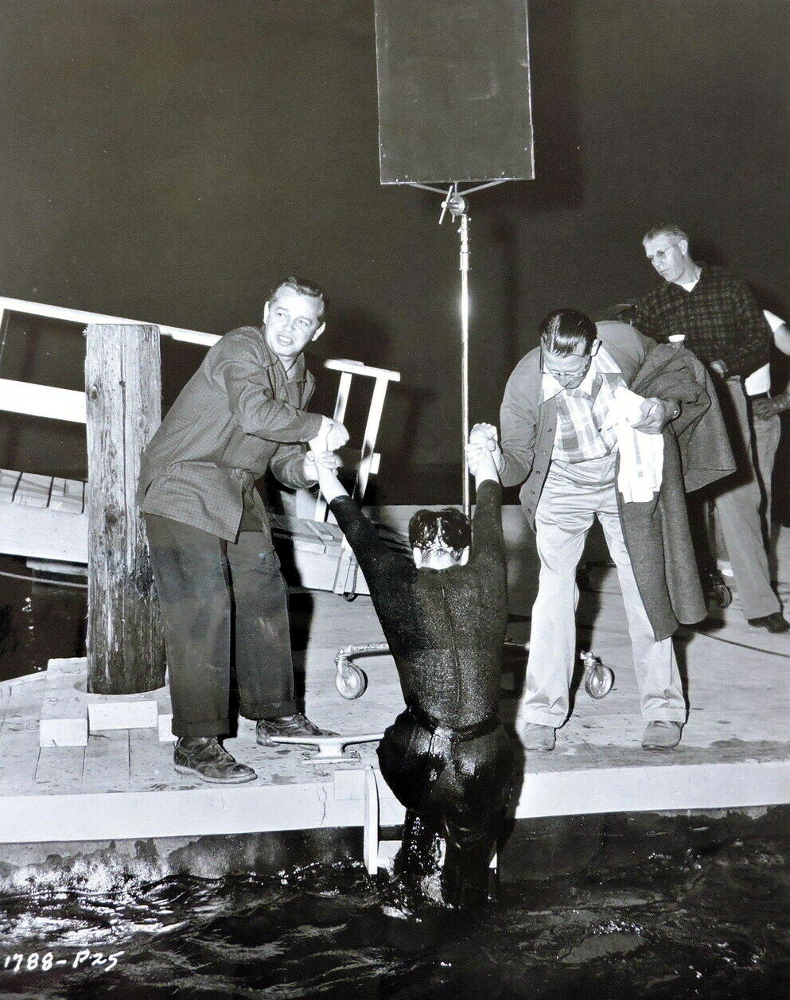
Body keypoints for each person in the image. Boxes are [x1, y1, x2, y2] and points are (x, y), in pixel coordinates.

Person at [137, 277, 348, 784]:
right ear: (266, 310)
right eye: (282, 314)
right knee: (204, 604)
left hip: (236, 488)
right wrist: (318, 425)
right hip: (183, 480)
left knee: (264, 590)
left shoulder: (302, 380)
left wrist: (311, 470)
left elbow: (281, 460)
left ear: (317, 331)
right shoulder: (241, 346)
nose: (288, 328)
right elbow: (254, 412)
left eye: (302, 321)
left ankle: (275, 716)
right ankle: (197, 741)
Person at [310, 424, 516, 908]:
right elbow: (488, 510)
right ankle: (462, 908)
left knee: (415, 761)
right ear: (464, 552)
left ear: (417, 551)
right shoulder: (489, 575)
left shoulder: (397, 583)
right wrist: (483, 457)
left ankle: (413, 867)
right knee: (469, 880)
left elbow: (357, 529)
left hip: (416, 760)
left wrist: (327, 476)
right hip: (482, 762)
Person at [497, 308, 716, 753]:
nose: (562, 379)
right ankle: (541, 712)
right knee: (554, 595)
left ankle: (663, 709)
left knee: (645, 590)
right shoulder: (524, 382)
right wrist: (492, 460)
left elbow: (679, 376)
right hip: (561, 484)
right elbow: (515, 465)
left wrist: (663, 409)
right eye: (553, 369)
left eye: (572, 370)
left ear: (592, 349)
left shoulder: (622, 343)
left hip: (623, 477)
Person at [634, 225, 788, 633]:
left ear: (682, 247)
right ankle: (695, 600)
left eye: (661, 254)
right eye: (650, 258)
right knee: (683, 499)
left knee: (740, 497)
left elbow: (759, 340)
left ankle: (761, 604)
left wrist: (723, 367)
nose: (657, 264)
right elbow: (646, 360)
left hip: (729, 392)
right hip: (681, 403)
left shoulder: (728, 286)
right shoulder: (653, 305)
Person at [748, 310, 790, 525]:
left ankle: (754, 558)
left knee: (757, 492)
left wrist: (784, 400)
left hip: (755, 412)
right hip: (704, 411)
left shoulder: (759, 316)